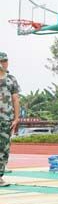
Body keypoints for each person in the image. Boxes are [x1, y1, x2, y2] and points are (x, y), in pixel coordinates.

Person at [0, 52, 20, 187]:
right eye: (1, 61)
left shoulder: (11, 79)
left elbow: (16, 99)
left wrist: (16, 118)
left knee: (4, 148)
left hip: (6, 119)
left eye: (5, 61)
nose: (3, 63)